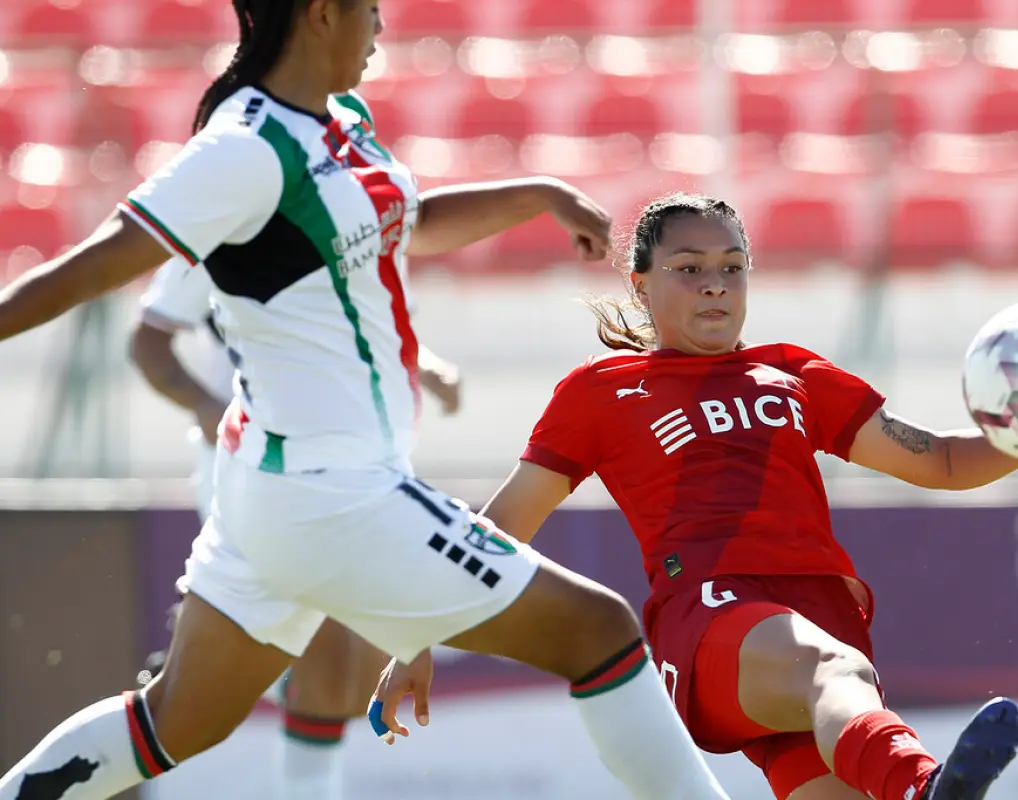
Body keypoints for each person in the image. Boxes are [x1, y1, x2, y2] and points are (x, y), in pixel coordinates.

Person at [0, 3, 731, 799]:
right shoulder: (245, 150)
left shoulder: (341, 120)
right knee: (601, 631)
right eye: (371, 9)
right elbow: (95, 265)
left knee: (177, 721)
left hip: (278, 487)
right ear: (320, 13)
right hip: (332, 494)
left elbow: (407, 224)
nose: (382, 26)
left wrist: (538, 194)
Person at [370, 193, 1018, 800]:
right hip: (712, 618)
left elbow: (945, 461)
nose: (715, 284)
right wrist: (419, 634)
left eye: (731, 267)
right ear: (641, 283)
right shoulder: (602, 393)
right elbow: (502, 528)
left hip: (825, 616)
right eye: (688, 268)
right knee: (835, 675)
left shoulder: (794, 374)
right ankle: (926, 789)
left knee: (835, 683)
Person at [129, 255, 462, 799]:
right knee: (324, 659)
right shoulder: (219, 223)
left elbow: (381, 333)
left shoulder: (361, 217)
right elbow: (148, 341)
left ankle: (234, 641)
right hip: (249, 470)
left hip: (354, 470)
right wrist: (208, 406)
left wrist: (427, 369)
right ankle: (228, 644)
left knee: (348, 681)